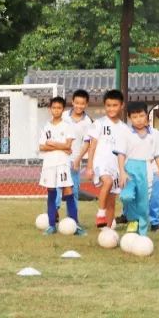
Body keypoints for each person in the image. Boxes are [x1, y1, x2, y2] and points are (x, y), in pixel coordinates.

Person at [114, 102, 159, 237]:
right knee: (126, 196)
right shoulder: (125, 133)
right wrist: (122, 172)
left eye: (141, 115)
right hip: (130, 168)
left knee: (144, 201)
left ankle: (141, 229)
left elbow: (158, 154)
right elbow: (121, 154)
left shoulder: (154, 134)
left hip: (147, 168)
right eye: (135, 116)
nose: (139, 119)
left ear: (147, 115)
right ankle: (132, 219)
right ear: (130, 118)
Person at [39, 96, 84, 235]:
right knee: (51, 192)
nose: (56, 110)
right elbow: (41, 147)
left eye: (59, 108)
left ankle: (75, 225)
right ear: (50, 109)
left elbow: (68, 145)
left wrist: (52, 143)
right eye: (54, 107)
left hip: (63, 164)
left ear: (63, 109)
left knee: (68, 191)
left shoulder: (67, 126)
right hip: (49, 165)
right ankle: (52, 225)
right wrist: (61, 147)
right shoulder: (46, 127)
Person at [83, 89, 126, 228]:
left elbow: (124, 152)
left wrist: (123, 171)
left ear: (121, 106)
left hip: (115, 167)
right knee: (107, 182)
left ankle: (108, 229)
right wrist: (89, 166)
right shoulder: (99, 123)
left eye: (115, 105)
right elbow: (92, 146)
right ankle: (100, 213)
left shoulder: (124, 128)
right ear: (104, 106)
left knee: (112, 201)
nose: (111, 108)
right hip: (100, 164)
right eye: (108, 105)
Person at [59, 89, 93, 209]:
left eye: (82, 103)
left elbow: (87, 143)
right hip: (60, 159)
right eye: (77, 103)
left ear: (86, 104)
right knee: (57, 188)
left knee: (73, 191)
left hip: (74, 160)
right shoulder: (63, 116)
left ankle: (73, 220)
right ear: (72, 102)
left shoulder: (88, 122)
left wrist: (78, 159)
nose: (79, 106)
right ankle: (53, 216)